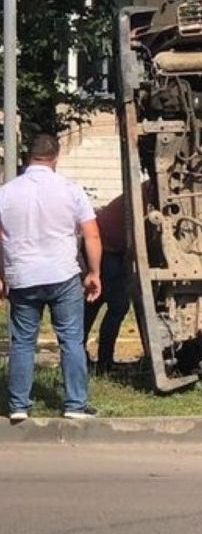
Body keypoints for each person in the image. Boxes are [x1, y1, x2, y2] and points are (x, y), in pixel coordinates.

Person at [0, 134, 102, 422]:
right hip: (63, 275)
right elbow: (92, 233)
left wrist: (1, 274)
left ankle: (18, 405)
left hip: (22, 276)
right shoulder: (71, 190)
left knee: (22, 342)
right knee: (71, 339)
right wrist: (94, 273)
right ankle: (75, 405)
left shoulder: (6, 193)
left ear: (27, 157)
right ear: (55, 158)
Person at [84, 189, 134, 372]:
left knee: (96, 302)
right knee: (115, 304)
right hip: (107, 248)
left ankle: (85, 356)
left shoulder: (146, 189)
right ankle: (103, 361)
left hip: (108, 246)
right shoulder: (149, 193)